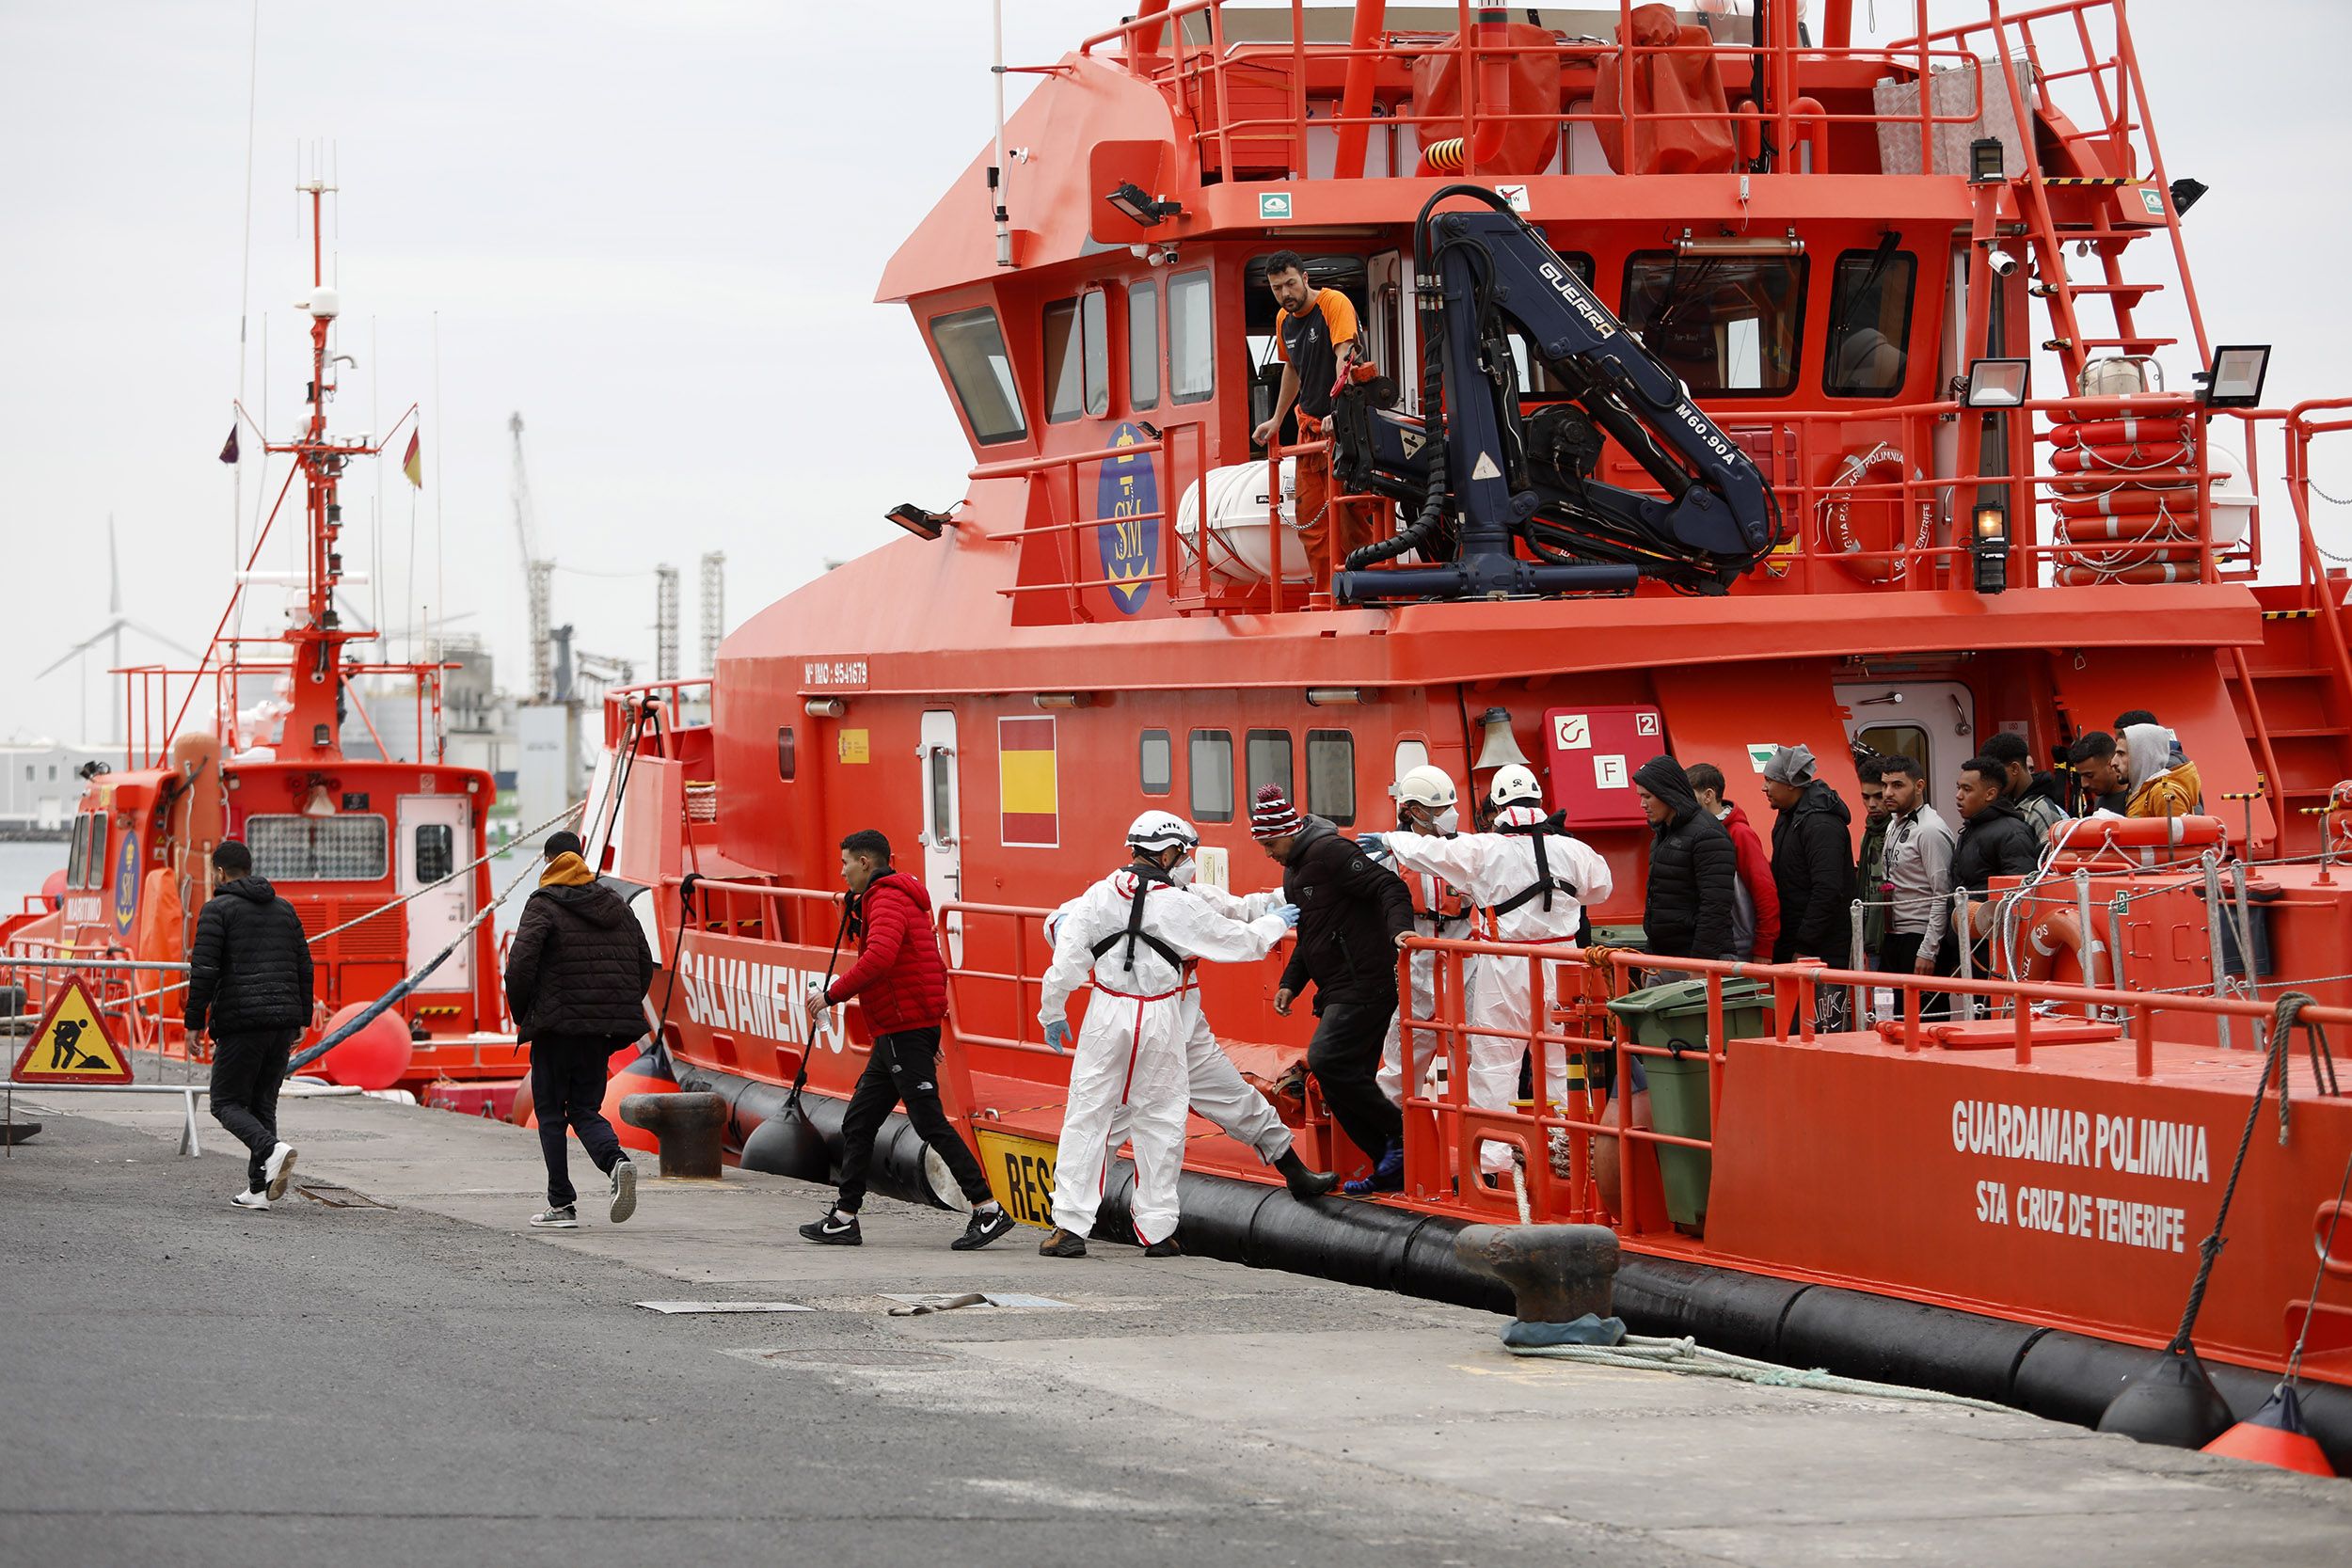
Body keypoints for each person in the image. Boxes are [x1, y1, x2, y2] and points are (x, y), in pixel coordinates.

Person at [1036, 811, 1310, 1259]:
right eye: (1184, 853)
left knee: (1087, 1116)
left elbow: (1067, 957)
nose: (1187, 861)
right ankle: (1158, 1232)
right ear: (1167, 852)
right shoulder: (1177, 903)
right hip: (1162, 1014)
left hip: (1106, 1011)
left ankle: (1069, 1229)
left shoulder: (1097, 896)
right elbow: (1237, 941)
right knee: (1160, 1121)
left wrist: (1052, 1011)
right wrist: (1276, 922)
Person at [1370, 765, 1628, 1187]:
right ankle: (1568, 1157)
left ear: (1499, 806)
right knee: (1563, 1063)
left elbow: (1429, 854)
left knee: (1495, 1064)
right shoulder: (1576, 850)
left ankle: (1492, 1166)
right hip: (1564, 963)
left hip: (1505, 964)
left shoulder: (1485, 849)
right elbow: (1600, 889)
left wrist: (1388, 839)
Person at [797, 830, 1011, 1250]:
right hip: (903, 1027)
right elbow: (925, 963)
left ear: (864, 863)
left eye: (845, 864)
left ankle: (986, 1208)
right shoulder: (896, 896)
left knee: (928, 1120)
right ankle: (844, 1217)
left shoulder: (886, 898)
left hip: (902, 1027)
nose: (841, 873)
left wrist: (830, 996)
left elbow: (881, 957)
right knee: (859, 1121)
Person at [1252, 784, 1414, 1186]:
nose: (1267, 853)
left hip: (1366, 982)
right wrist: (1292, 982)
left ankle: (1402, 1135)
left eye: (1270, 843)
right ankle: (1391, 1163)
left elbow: (1389, 886)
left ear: (1288, 832)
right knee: (1335, 1080)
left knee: (1325, 1059)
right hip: (1337, 987)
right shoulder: (1294, 872)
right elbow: (1312, 932)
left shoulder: (1333, 854)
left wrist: (1401, 932)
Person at [505, 831, 651, 1230]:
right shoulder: (616, 904)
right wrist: (611, 1011)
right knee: (585, 1109)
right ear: (582, 860)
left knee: (551, 1112)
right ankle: (616, 1162)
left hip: (555, 1030)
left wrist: (525, 1015)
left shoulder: (543, 903)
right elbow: (643, 962)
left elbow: (520, 965)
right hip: (600, 1031)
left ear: (550, 861)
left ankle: (561, 1205)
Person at [185, 839, 311, 1212]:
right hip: (283, 1022)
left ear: (220, 872)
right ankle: (259, 1189)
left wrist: (194, 1021)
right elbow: (305, 965)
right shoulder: (285, 909)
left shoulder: (217, 910)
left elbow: (204, 970)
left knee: (224, 1102)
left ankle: (272, 1150)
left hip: (243, 1022)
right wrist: (302, 1017)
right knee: (262, 1105)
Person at [1366, 765, 1474, 1193]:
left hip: (1465, 957)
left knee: (1477, 1055)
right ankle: (1388, 1148)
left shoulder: (1468, 848)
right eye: (1437, 807)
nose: (1448, 814)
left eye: (1450, 805)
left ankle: (1483, 1152)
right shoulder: (1385, 854)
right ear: (1411, 810)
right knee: (1401, 1060)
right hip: (1413, 961)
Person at [1248, 252, 1375, 593]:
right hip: (1311, 435)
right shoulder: (1283, 320)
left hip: (1345, 430)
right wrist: (1276, 421)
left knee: (1351, 517)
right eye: (1277, 288)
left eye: (1290, 283)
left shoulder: (1333, 303)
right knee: (1311, 522)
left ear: (1305, 278)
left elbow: (1344, 354)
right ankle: (1326, 592)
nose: (1285, 293)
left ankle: (1369, 590)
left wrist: (1338, 411)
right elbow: (1292, 368)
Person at [1631, 755, 1739, 968]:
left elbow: (1715, 907)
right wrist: (1650, 957)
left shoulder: (1707, 834)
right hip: (1665, 959)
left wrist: (1700, 965)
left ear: (1667, 794)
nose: (1642, 804)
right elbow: (1659, 903)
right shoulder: (1663, 833)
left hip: (1695, 962)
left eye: (1648, 797)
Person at [1874, 757, 1958, 1019]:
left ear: (1919, 785)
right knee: (1890, 1018)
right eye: (1885, 785)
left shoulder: (1930, 830)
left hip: (1919, 937)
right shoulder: (1893, 824)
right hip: (1894, 934)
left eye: (1898, 785)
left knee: (1923, 1020)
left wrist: (1928, 949)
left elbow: (1942, 894)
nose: (1888, 793)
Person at [1762, 745, 1855, 966]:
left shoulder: (1822, 824)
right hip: (1792, 942)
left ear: (1792, 784)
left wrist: (1805, 947)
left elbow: (1827, 890)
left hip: (1821, 952)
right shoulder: (1787, 817)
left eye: (1770, 780)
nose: (1764, 788)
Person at [1950, 755, 2041, 970]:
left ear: (1990, 794)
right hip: (1972, 942)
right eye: (1958, 788)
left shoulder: (2012, 833)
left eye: (1967, 789)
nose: (1958, 796)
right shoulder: (1972, 829)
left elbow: (2021, 897)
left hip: (1993, 948)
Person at [1689, 763, 1780, 961]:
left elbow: (1765, 891)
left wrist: (1764, 948)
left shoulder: (1739, 834)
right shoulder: (1696, 834)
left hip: (1740, 950)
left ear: (1708, 795)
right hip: (1712, 947)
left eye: (1690, 796)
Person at [1981, 731, 2066, 841]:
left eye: (1996, 773)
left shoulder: (2042, 812)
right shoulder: (2004, 803)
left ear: (2015, 769)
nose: (1992, 781)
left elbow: (2050, 856)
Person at [1853, 757, 1892, 970]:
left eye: (1878, 796)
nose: (1872, 804)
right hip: (1872, 937)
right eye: (1866, 797)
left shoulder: (1902, 833)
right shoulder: (1867, 835)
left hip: (1896, 936)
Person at [2120, 721, 2201, 818]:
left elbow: (2177, 832)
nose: (2113, 762)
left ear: (2142, 755)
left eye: (2121, 754)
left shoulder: (2162, 793)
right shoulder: (2139, 791)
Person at [2069, 731, 2130, 815]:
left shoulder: (2137, 801)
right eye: (2081, 776)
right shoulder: (2100, 798)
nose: (2084, 784)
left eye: (2089, 775)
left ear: (2111, 764)